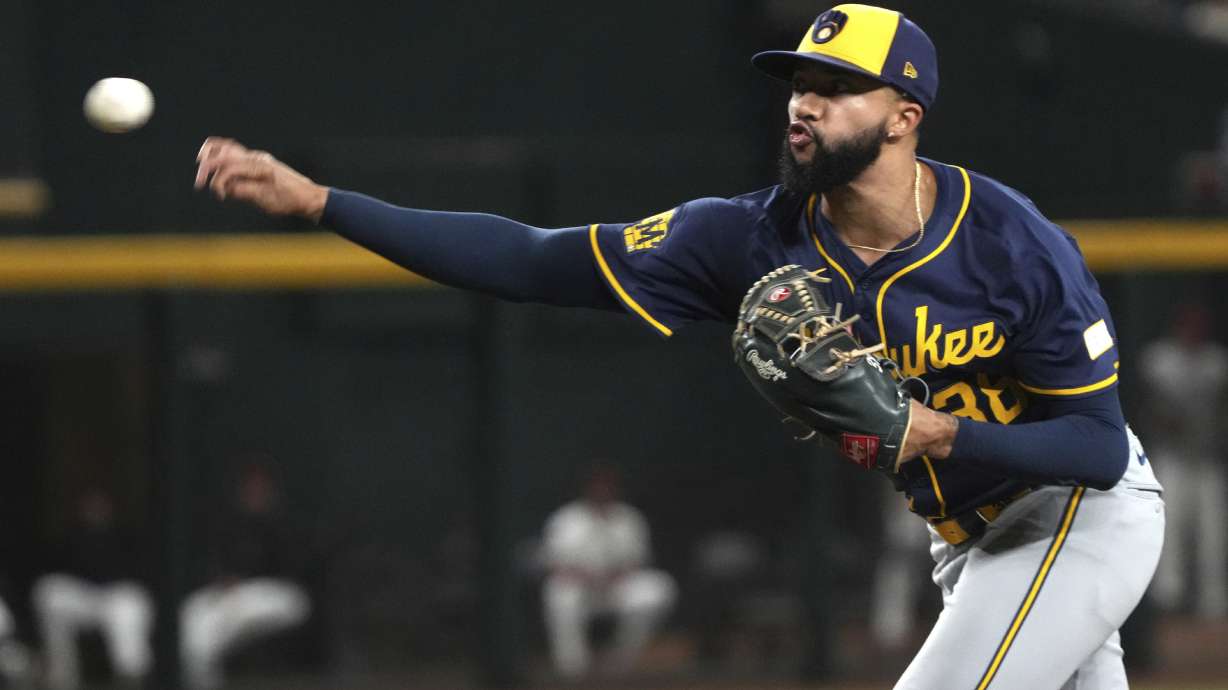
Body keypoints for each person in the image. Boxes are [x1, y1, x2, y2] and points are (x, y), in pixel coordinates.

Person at [193, 5, 1165, 686]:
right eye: (797, 82)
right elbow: (529, 259)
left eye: (837, 87)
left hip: (1077, 518)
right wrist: (322, 203)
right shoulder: (742, 238)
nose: (803, 102)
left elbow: (1094, 448)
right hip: (965, 542)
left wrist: (931, 433)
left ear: (904, 117)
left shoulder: (1010, 242)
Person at [179, 462, 310, 690]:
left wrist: (242, 580)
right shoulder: (233, 523)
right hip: (240, 593)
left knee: (220, 622)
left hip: (284, 595)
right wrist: (224, 579)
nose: (254, 491)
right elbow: (221, 565)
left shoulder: (284, 522)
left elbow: (291, 568)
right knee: (191, 611)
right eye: (250, 486)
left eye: (260, 486)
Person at [540, 465, 676, 679]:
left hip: (615, 588)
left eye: (607, 486)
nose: (602, 490)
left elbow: (638, 561)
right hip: (579, 587)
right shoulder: (567, 518)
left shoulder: (629, 518)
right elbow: (553, 563)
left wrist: (615, 576)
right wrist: (584, 576)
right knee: (558, 594)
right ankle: (573, 670)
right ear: (587, 489)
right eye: (597, 485)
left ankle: (619, 662)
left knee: (658, 588)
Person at [1140, 302, 1228, 619]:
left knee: (1212, 535)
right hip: (1171, 456)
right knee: (1170, 529)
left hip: (1207, 457)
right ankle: (1168, 600)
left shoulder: (1216, 361)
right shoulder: (1159, 359)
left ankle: (1213, 601)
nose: (1194, 330)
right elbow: (1153, 409)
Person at [32, 487, 153, 690]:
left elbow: (140, 573)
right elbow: (55, 569)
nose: (95, 509)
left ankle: (132, 677)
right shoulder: (71, 535)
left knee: (128, 607)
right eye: (90, 504)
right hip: (84, 597)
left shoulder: (126, 534)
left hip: (117, 595)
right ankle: (60, 675)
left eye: (100, 504)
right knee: (49, 592)